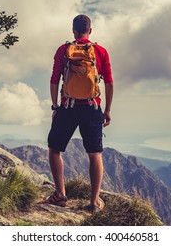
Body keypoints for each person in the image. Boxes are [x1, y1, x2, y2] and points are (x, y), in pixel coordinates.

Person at [46, 14, 114, 212]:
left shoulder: (63, 50)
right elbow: (109, 82)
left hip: (68, 106)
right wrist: (107, 110)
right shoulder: (100, 51)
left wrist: (55, 106)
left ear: (73, 30)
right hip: (92, 107)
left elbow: (54, 80)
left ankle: (60, 195)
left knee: (54, 150)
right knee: (95, 154)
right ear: (90, 31)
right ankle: (93, 202)